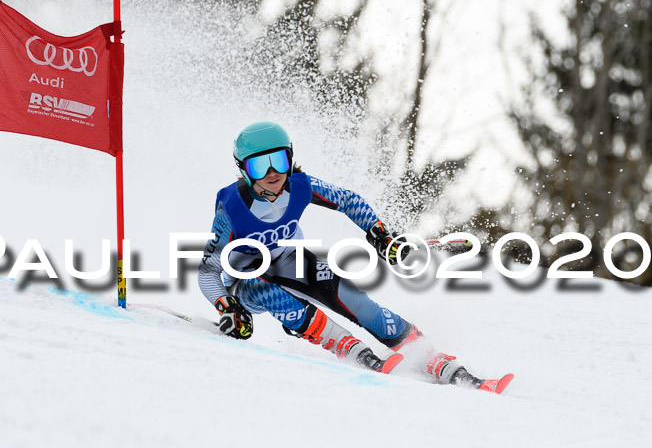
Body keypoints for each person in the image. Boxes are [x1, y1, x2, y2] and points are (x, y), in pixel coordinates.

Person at [198, 121, 505, 390]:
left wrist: (380, 235)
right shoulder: (232, 208)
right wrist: (228, 307)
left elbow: (348, 200)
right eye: (258, 166)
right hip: (246, 281)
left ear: (290, 158)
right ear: (243, 169)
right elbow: (207, 272)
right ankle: (351, 348)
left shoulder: (299, 186)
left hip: (289, 260)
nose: (272, 173)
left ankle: (427, 354)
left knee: (351, 296)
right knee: (271, 293)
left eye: (279, 160)